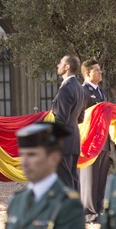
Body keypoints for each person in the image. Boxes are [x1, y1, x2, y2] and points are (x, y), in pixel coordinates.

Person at [50, 55, 87, 191]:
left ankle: (68, 211)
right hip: (74, 139)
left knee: (65, 181)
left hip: (63, 141)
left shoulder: (66, 88)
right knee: (73, 179)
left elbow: (61, 119)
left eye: (60, 63)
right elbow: (81, 118)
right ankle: (76, 210)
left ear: (67, 67)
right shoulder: (79, 87)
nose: (57, 65)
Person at [80, 60, 110, 223]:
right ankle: (89, 212)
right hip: (90, 140)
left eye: (100, 69)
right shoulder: (83, 91)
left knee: (101, 176)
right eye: (97, 70)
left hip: (102, 139)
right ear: (87, 73)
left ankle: (98, 209)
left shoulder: (99, 91)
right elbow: (81, 116)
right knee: (90, 177)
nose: (100, 72)